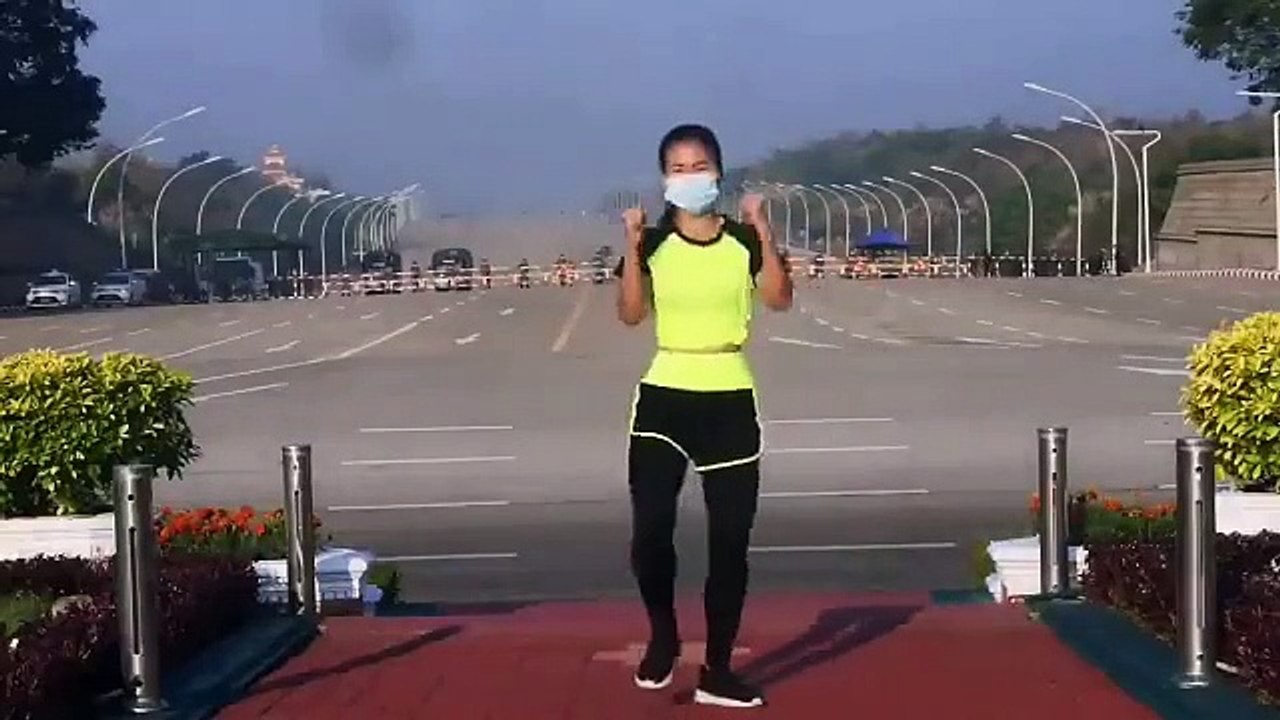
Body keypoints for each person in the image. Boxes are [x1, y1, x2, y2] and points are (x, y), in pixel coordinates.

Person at [615, 123, 792, 709]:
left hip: (728, 396)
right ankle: (663, 636)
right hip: (665, 393)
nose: (690, 177)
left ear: (718, 170)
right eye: (679, 168)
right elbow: (631, 314)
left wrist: (763, 228)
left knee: (729, 543)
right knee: (651, 532)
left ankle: (717, 669)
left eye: (700, 166)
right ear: (665, 178)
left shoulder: (743, 240)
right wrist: (631, 243)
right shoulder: (653, 244)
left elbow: (778, 298)